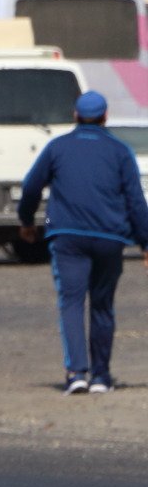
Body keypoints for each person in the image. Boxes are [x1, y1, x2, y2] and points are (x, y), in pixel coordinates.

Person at [17, 89, 148, 395]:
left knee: (71, 303)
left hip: (68, 237)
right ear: (105, 117)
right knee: (102, 305)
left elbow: (31, 186)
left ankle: (77, 372)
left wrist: (26, 221)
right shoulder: (120, 152)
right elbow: (136, 202)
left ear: (75, 116)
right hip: (109, 238)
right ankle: (101, 377)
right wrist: (146, 243)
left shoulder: (57, 148)